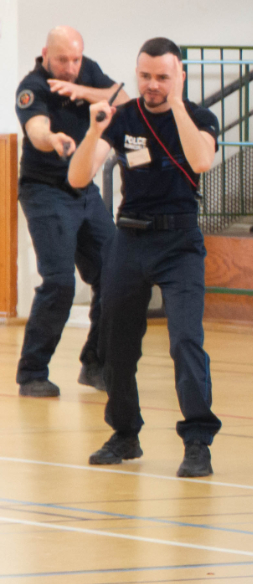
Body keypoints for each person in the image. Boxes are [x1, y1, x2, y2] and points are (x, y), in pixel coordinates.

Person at [68, 37, 221, 478]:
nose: (152, 85)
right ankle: (124, 434)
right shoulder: (123, 119)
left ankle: (197, 441)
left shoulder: (199, 117)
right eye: (145, 76)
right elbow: (79, 176)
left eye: (162, 77)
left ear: (180, 77)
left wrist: (175, 106)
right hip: (129, 239)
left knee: (185, 341)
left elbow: (201, 160)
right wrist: (95, 130)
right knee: (115, 343)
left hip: (180, 243)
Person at [13, 26, 128, 397]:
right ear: (46, 53)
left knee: (114, 275)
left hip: (83, 191)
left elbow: (123, 99)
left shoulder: (86, 72)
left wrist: (83, 90)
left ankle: (95, 363)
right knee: (60, 282)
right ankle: (32, 372)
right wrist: (54, 140)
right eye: (63, 60)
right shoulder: (34, 85)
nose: (70, 66)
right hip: (45, 192)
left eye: (76, 59)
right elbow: (35, 130)